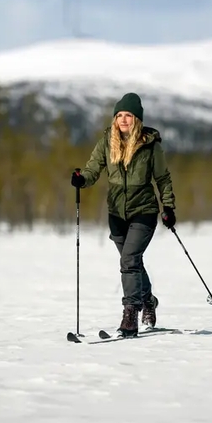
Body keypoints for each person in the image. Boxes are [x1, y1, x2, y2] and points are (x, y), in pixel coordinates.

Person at [70, 92, 177, 337]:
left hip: (144, 210)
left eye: (128, 115)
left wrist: (168, 207)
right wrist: (81, 179)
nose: (123, 119)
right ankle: (148, 300)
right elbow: (93, 169)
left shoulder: (150, 145)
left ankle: (130, 314)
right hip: (116, 212)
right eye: (119, 115)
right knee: (133, 262)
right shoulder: (107, 142)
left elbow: (163, 179)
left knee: (128, 260)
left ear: (137, 118)